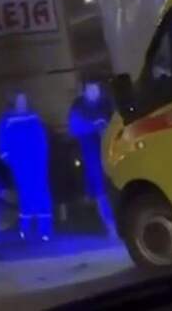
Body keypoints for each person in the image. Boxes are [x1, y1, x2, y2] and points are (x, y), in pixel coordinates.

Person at [0, 92, 53, 241]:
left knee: (41, 193)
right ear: (14, 101)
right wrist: (11, 160)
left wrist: (43, 156)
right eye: (20, 100)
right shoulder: (7, 119)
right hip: (21, 164)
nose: (22, 102)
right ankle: (25, 228)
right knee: (26, 194)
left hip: (37, 163)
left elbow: (41, 137)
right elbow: (2, 143)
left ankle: (45, 229)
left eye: (24, 99)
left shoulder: (33, 116)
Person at [67, 80, 115, 235]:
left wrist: (106, 126)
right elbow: (74, 128)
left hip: (112, 152)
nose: (94, 93)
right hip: (91, 154)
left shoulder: (106, 103)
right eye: (90, 89)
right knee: (101, 189)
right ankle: (110, 226)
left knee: (113, 187)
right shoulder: (79, 107)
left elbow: (116, 121)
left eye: (96, 89)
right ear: (85, 91)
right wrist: (94, 126)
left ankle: (118, 223)